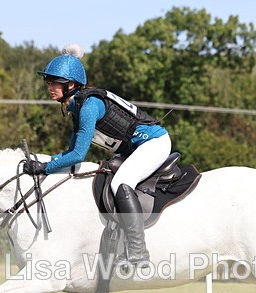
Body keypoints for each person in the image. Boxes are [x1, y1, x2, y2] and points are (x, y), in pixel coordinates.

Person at [23, 44, 171, 268]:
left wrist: (44, 168)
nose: (50, 87)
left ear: (71, 85)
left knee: (121, 183)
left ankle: (138, 253)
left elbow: (77, 156)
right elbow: (70, 152)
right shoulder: (78, 106)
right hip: (134, 149)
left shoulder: (89, 106)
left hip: (153, 143)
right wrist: (45, 161)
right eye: (49, 82)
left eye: (55, 82)